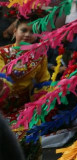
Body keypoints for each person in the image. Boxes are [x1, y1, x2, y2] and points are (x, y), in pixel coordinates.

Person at [0, 15, 50, 160]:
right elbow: (2, 77)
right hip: (2, 105)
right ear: (15, 31)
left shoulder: (39, 55)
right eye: (24, 30)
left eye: (32, 31)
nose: (28, 35)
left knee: (30, 137)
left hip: (24, 108)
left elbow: (44, 80)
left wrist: (41, 99)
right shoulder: (2, 53)